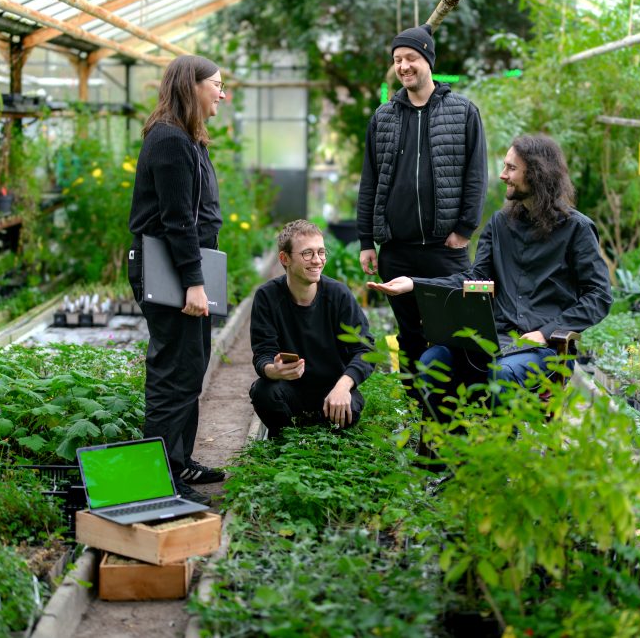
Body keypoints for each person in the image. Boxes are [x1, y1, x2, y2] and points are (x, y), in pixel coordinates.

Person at [368, 134, 613, 417]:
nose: (502, 175)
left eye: (511, 168)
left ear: (536, 173)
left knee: (503, 375)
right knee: (432, 362)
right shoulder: (500, 224)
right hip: (492, 342)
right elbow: (474, 280)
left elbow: (599, 297)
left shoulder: (578, 230)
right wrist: (414, 283)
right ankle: (443, 454)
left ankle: (496, 458)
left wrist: (545, 334)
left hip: (545, 351)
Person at [356, 22, 488, 382]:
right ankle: (418, 411)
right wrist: (367, 241)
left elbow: (476, 176)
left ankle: (453, 413)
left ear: (428, 59)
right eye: (398, 59)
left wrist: (464, 229)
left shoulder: (462, 112)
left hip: (445, 251)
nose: (403, 66)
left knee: (455, 333)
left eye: (411, 57)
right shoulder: (383, 117)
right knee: (410, 335)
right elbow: (370, 181)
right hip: (397, 250)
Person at [127, 55, 227, 505]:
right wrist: (194, 281)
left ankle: (180, 459)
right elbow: (177, 220)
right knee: (172, 372)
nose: (221, 94)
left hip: (185, 268)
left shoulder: (187, 138)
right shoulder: (169, 140)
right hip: (170, 271)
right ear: (192, 86)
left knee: (191, 367)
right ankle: (161, 476)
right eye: (217, 85)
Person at [249, 220, 375, 437]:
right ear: (284, 258)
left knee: (350, 409)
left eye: (321, 252)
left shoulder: (339, 295)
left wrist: (343, 387)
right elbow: (263, 353)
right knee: (263, 391)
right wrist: (273, 370)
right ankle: (289, 441)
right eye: (307, 253)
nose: (317, 260)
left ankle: (324, 436)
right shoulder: (267, 297)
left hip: (333, 390)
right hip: (291, 390)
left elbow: (366, 351)